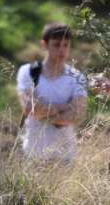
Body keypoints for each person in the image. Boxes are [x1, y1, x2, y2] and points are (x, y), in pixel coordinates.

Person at [16, 22, 88, 162]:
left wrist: (43, 112)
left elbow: (78, 115)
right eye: (56, 45)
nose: (61, 50)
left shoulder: (77, 77)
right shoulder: (29, 72)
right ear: (44, 44)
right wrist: (65, 107)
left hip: (66, 154)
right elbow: (30, 108)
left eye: (66, 45)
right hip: (34, 152)